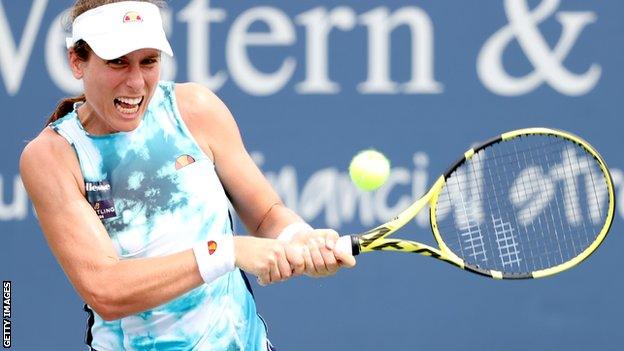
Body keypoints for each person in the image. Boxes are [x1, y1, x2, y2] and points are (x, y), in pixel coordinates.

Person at [19, 1, 356, 350]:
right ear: (77, 61)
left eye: (148, 61)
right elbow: (107, 290)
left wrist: (299, 238)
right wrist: (225, 251)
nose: (135, 82)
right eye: (117, 61)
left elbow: (267, 213)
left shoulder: (195, 108)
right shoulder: (52, 156)